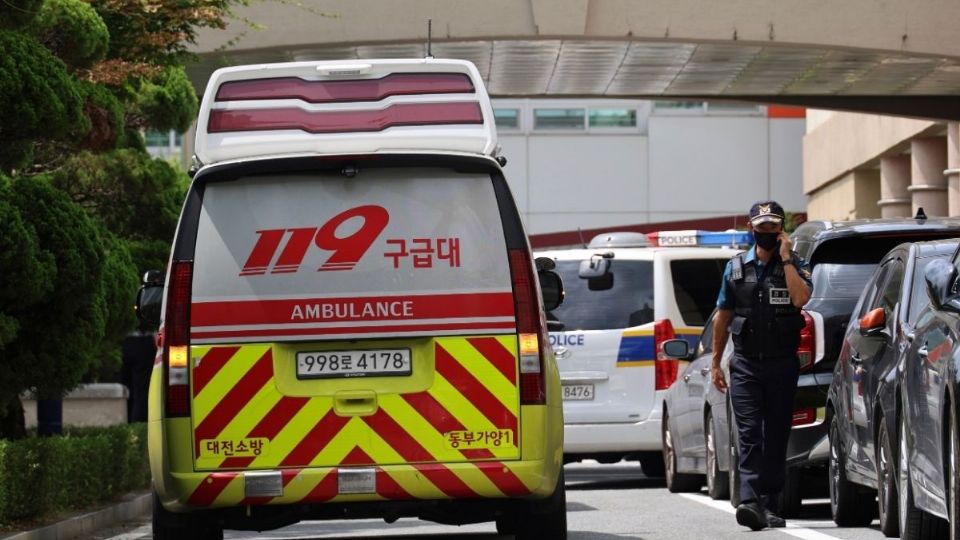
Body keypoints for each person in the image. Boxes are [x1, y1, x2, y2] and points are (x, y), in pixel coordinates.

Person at [710, 201, 812, 531]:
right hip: (745, 366)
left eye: (773, 226)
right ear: (751, 228)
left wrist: (785, 258)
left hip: (782, 365)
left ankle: (769, 503)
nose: (766, 231)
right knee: (751, 434)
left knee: (776, 434)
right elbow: (723, 318)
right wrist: (715, 362)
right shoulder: (736, 268)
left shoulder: (795, 265)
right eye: (761, 226)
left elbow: (800, 300)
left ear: (781, 229)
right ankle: (750, 501)